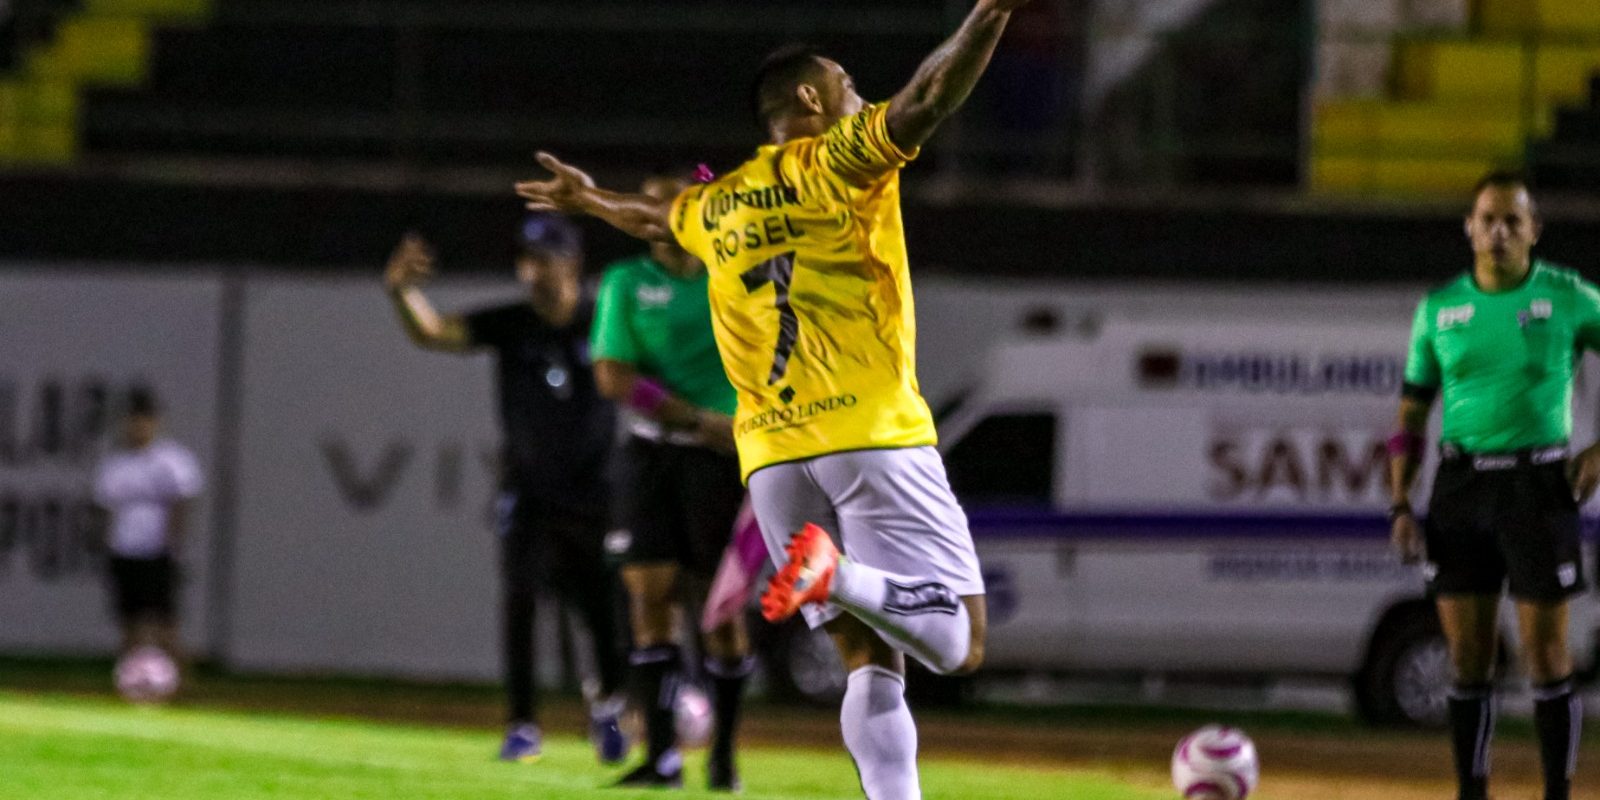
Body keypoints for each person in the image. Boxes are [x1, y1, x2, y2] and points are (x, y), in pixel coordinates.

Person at [515, 3, 1032, 795]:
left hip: (773, 459)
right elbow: (930, 95)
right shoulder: (839, 157)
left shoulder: (720, 202)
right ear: (814, 104)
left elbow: (657, 216)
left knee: (869, 656)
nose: (861, 96)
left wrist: (590, 202)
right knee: (960, 643)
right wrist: (992, 10)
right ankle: (839, 575)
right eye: (848, 84)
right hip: (871, 431)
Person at [383, 215, 629, 765]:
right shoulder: (512, 323)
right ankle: (522, 726)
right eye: (527, 259)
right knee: (521, 603)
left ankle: (610, 705)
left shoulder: (605, 320)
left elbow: (656, 367)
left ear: (572, 263)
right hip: (531, 495)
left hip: (596, 494)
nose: (532, 270)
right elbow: (432, 332)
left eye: (544, 258)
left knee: (605, 613)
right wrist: (402, 291)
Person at [1390, 171, 1594, 800]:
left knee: (1544, 656)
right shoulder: (1439, 309)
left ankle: (1556, 791)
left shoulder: (1570, 298)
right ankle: (1471, 792)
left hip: (1538, 486)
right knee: (1469, 658)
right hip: (1460, 489)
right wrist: (1400, 501)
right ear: (1469, 228)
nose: (1499, 231)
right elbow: (1411, 414)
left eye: (1512, 220)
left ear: (1533, 230)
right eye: (1487, 219)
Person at [589, 173, 751, 790]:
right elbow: (613, 374)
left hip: (721, 459)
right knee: (648, 596)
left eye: (666, 203)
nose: (651, 214)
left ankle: (724, 755)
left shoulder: (733, 276)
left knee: (719, 609)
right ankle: (661, 755)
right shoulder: (627, 281)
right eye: (645, 201)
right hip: (653, 451)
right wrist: (693, 417)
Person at [94, 387, 203, 671]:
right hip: (124, 549)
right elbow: (106, 509)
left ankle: (181, 686)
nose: (138, 426)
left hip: (157, 550)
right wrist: (106, 546)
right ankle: (131, 684)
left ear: (155, 422)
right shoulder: (116, 463)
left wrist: (172, 543)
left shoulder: (172, 459)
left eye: (144, 419)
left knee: (165, 624)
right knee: (129, 623)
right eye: (133, 420)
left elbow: (181, 503)